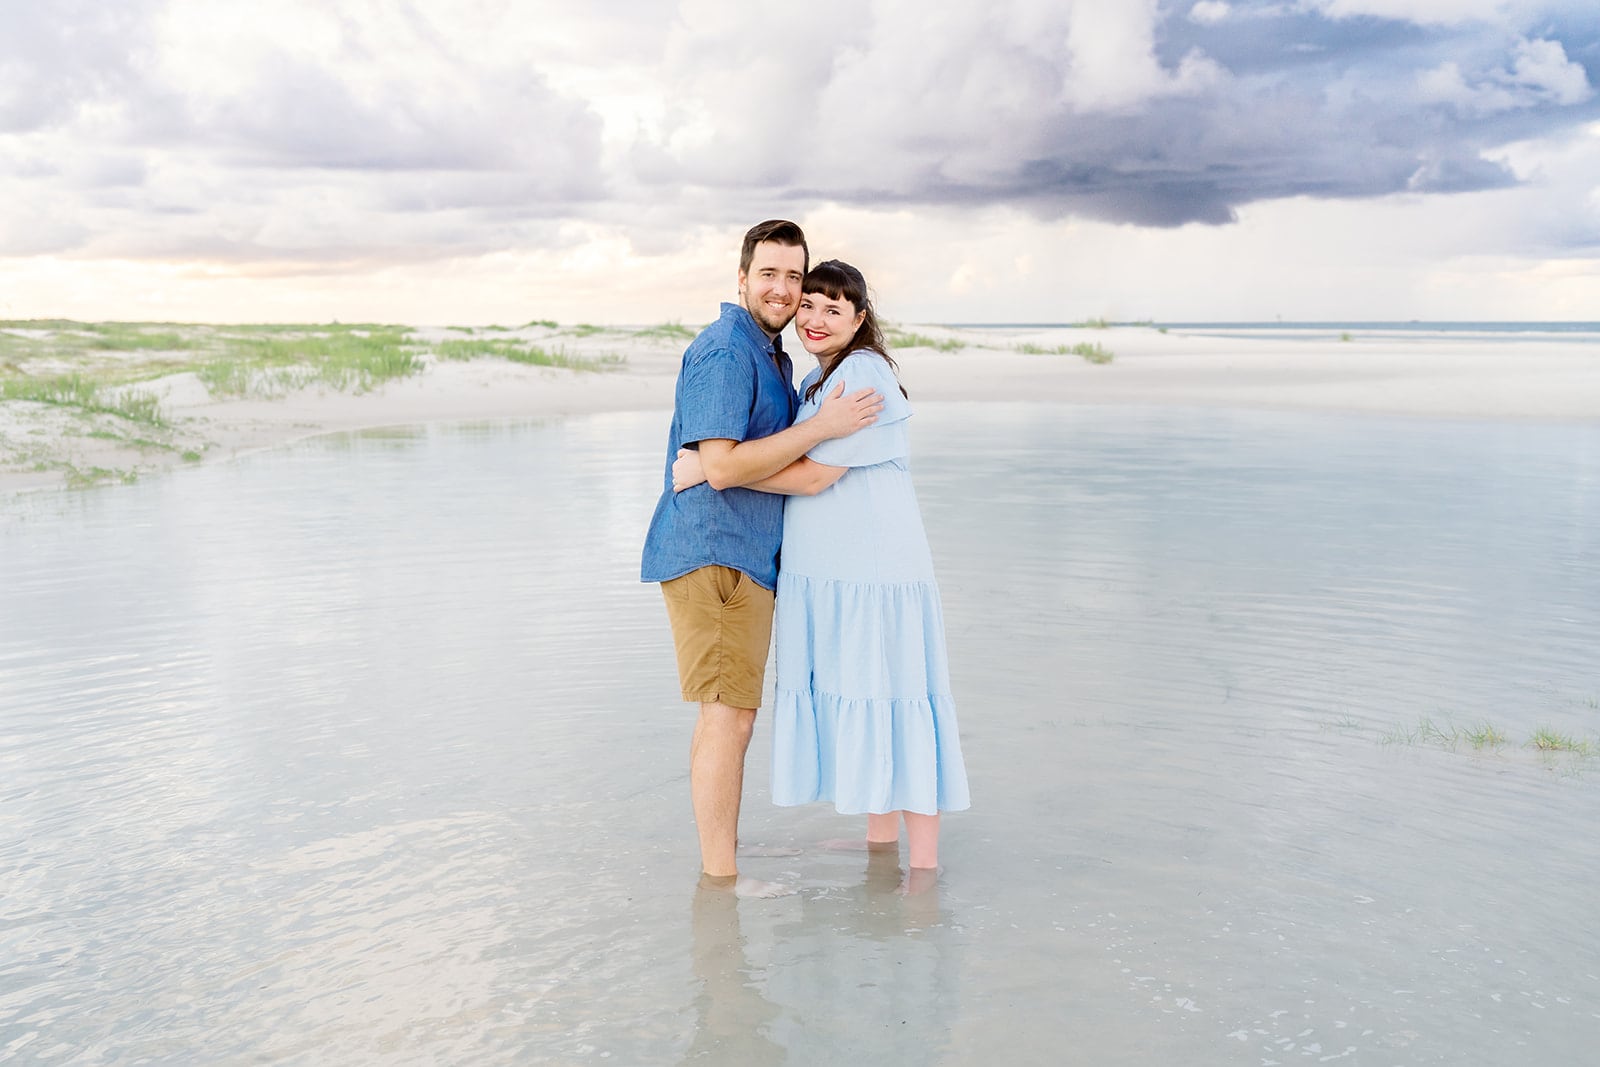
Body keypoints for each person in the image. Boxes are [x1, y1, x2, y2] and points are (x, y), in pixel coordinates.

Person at [672, 259, 970, 880]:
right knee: (874, 692)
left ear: (860, 320)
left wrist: (712, 469)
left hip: (872, 577)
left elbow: (813, 477)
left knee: (898, 696)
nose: (812, 317)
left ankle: (923, 871)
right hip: (843, 576)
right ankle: (881, 844)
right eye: (808, 305)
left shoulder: (859, 374)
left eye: (833, 309)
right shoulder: (818, 379)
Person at [641, 222, 885, 896]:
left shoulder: (770, 355)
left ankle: (721, 855)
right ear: (741, 277)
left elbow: (729, 465)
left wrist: (719, 467)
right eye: (768, 273)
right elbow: (720, 467)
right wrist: (823, 428)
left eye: (793, 277)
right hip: (715, 551)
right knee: (729, 715)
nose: (782, 289)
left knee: (729, 714)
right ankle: (721, 879)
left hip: (741, 555)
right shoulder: (727, 351)